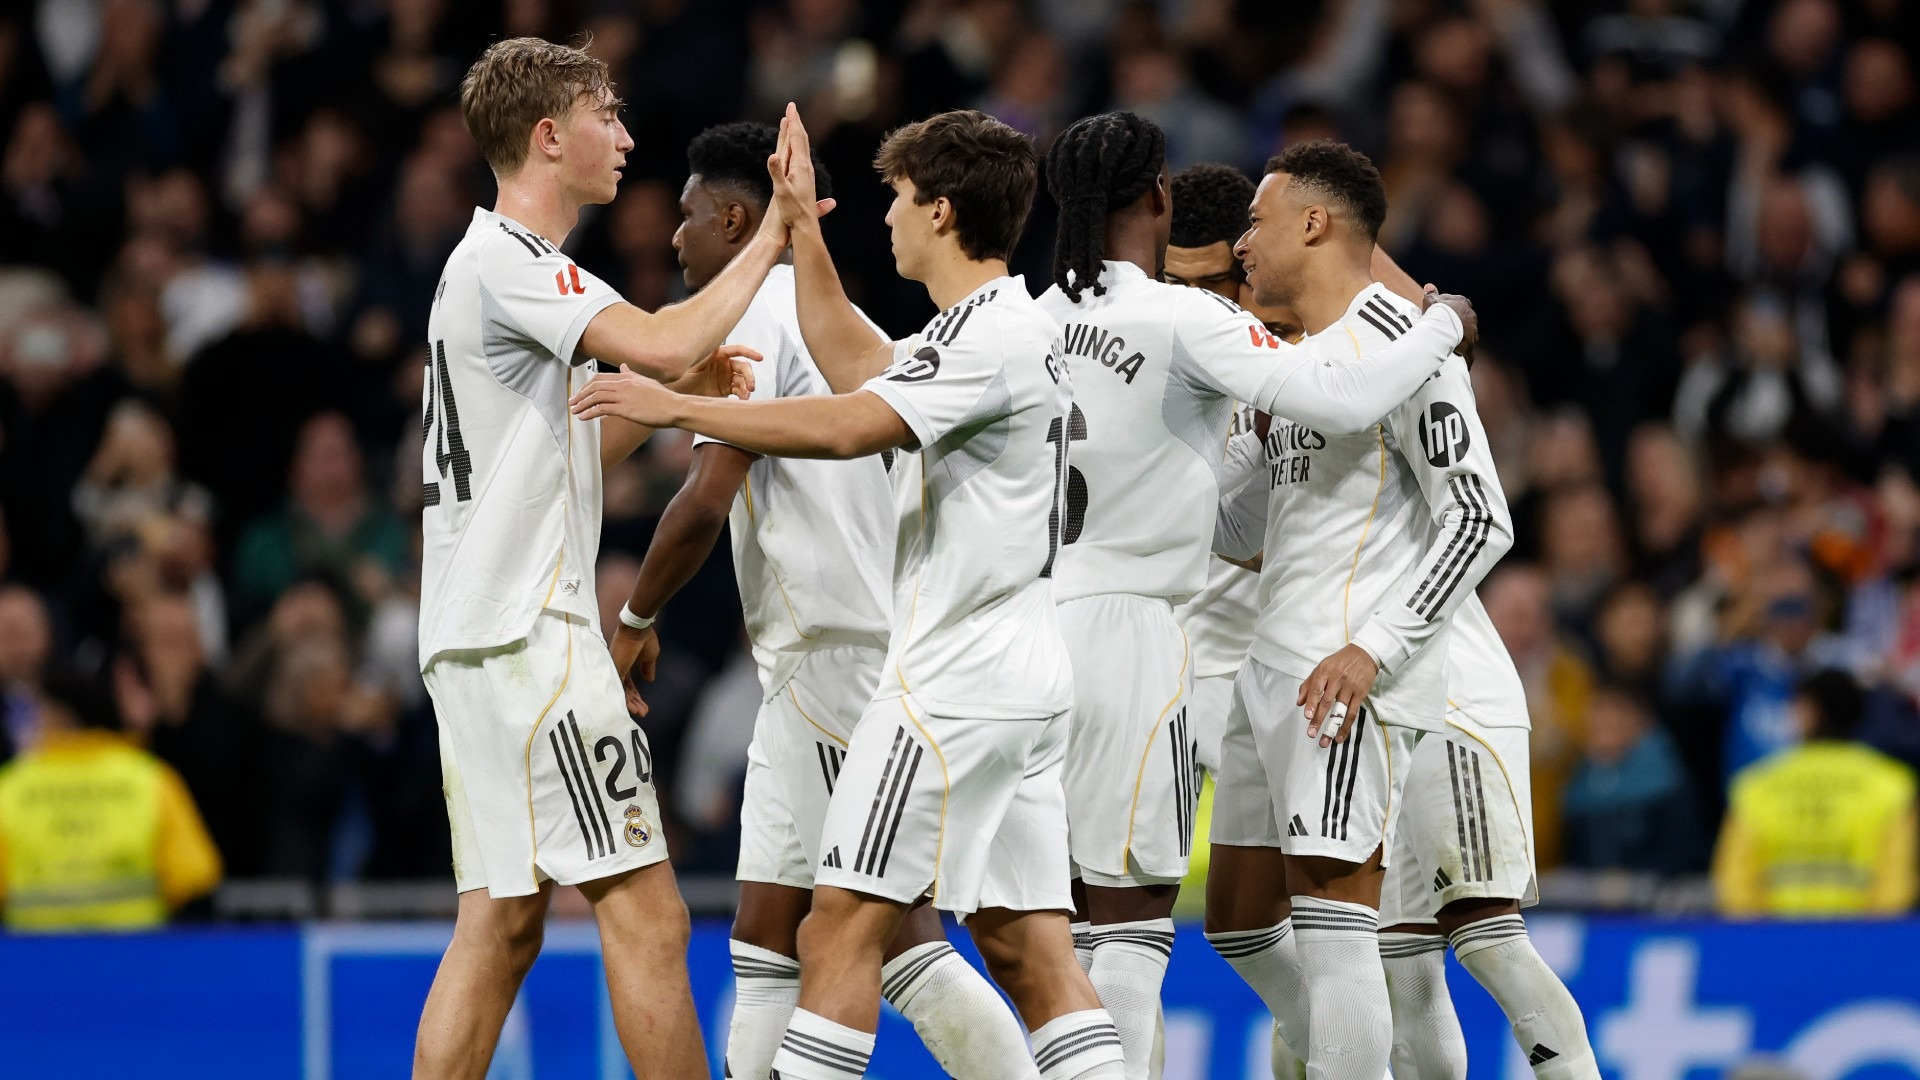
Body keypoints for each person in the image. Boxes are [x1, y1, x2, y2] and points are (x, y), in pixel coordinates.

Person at [574, 104, 1127, 1080]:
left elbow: (844, 424)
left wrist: (674, 405)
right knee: (1027, 950)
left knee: (844, 931)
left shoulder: (985, 341)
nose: (888, 217)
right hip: (1017, 668)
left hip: (946, 679)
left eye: (901, 198)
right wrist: (804, 227)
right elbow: (857, 366)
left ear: (942, 212)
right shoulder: (998, 328)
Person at [1033, 115, 1471, 1079]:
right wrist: (1442, 322)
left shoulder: (1031, 317)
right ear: (1158, 196)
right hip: (1141, 633)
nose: (1239, 251)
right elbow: (1345, 396)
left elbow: (1235, 523)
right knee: (1133, 929)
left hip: (1035, 630)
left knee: (1059, 929)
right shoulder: (1184, 320)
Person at [411, 37, 787, 1080]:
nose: (624, 137)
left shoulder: (475, 269)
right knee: (648, 915)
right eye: (605, 116)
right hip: (535, 634)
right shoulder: (515, 260)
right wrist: (775, 234)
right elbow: (660, 343)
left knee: (500, 924)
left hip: (474, 633)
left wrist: (678, 399)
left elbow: (569, 442)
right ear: (548, 135)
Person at [1210, 141, 1500, 1080]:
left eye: (1255, 222)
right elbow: (1246, 532)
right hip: (1270, 669)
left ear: (1312, 223)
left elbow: (1480, 518)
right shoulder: (1300, 365)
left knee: (1338, 932)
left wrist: (1374, 649)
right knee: (1237, 921)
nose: (1241, 245)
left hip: (1345, 684)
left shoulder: (1406, 348)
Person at [0, 671, 221, 930]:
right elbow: (193, 883)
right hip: (139, 949)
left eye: (37, 712)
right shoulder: (151, 780)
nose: (30, 724)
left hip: (29, 951)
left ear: (62, 716)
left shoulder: (10, 788)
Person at [1713, 669, 1917, 917]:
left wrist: (1760, 934)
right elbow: (1896, 888)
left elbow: (1735, 887)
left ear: (1811, 711)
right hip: (1863, 936)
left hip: (1775, 936)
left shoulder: (1756, 786)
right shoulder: (1892, 785)